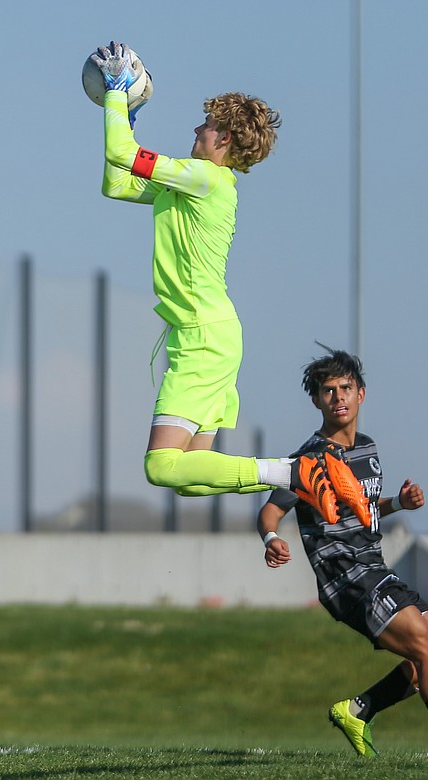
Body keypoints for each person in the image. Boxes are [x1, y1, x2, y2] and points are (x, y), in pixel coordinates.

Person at [89, 42, 368, 523]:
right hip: (211, 334)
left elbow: (122, 154)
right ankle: (297, 472)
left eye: (208, 123)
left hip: (201, 335)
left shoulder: (206, 178)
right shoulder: (195, 182)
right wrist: (127, 115)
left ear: (225, 141)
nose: (197, 128)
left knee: (161, 465)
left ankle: (295, 472)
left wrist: (117, 93)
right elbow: (116, 181)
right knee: (189, 476)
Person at [257, 346, 428, 765]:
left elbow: (363, 508)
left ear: (361, 393)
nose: (338, 397)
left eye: (345, 388)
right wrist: (271, 537)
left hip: (375, 569)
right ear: (316, 400)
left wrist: (397, 503)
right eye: (328, 391)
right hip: (344, 577)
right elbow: (270, 511)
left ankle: (358, 710)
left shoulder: (367, 448)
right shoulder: (309, 458)